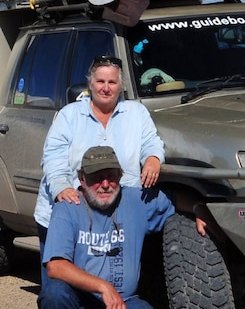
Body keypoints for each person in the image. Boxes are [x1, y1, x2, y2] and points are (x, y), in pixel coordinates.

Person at [38, 146, 176, 309]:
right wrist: (103, 287)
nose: (104, 184)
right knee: (53, 295)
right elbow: (55, 266)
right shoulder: (68, 206)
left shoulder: (136, 200)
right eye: (95, 178)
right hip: (81, 300)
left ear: (120, 177)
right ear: (81, 179)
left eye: (111, 176)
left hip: (124, 302)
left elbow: (177, 203)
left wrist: (200, 211)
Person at [35, 55, 164, 279]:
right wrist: (61, 188)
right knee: (60, 291)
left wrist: (153, 157)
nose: (106, 88)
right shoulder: (69, 115)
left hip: (113, 217)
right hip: (70, 211)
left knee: (114, 284)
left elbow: (151, 141)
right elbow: (53, 158)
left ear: (121, 86)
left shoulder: (137, 113)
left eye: (112, 82)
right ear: (90, 84)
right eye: (100, 81)